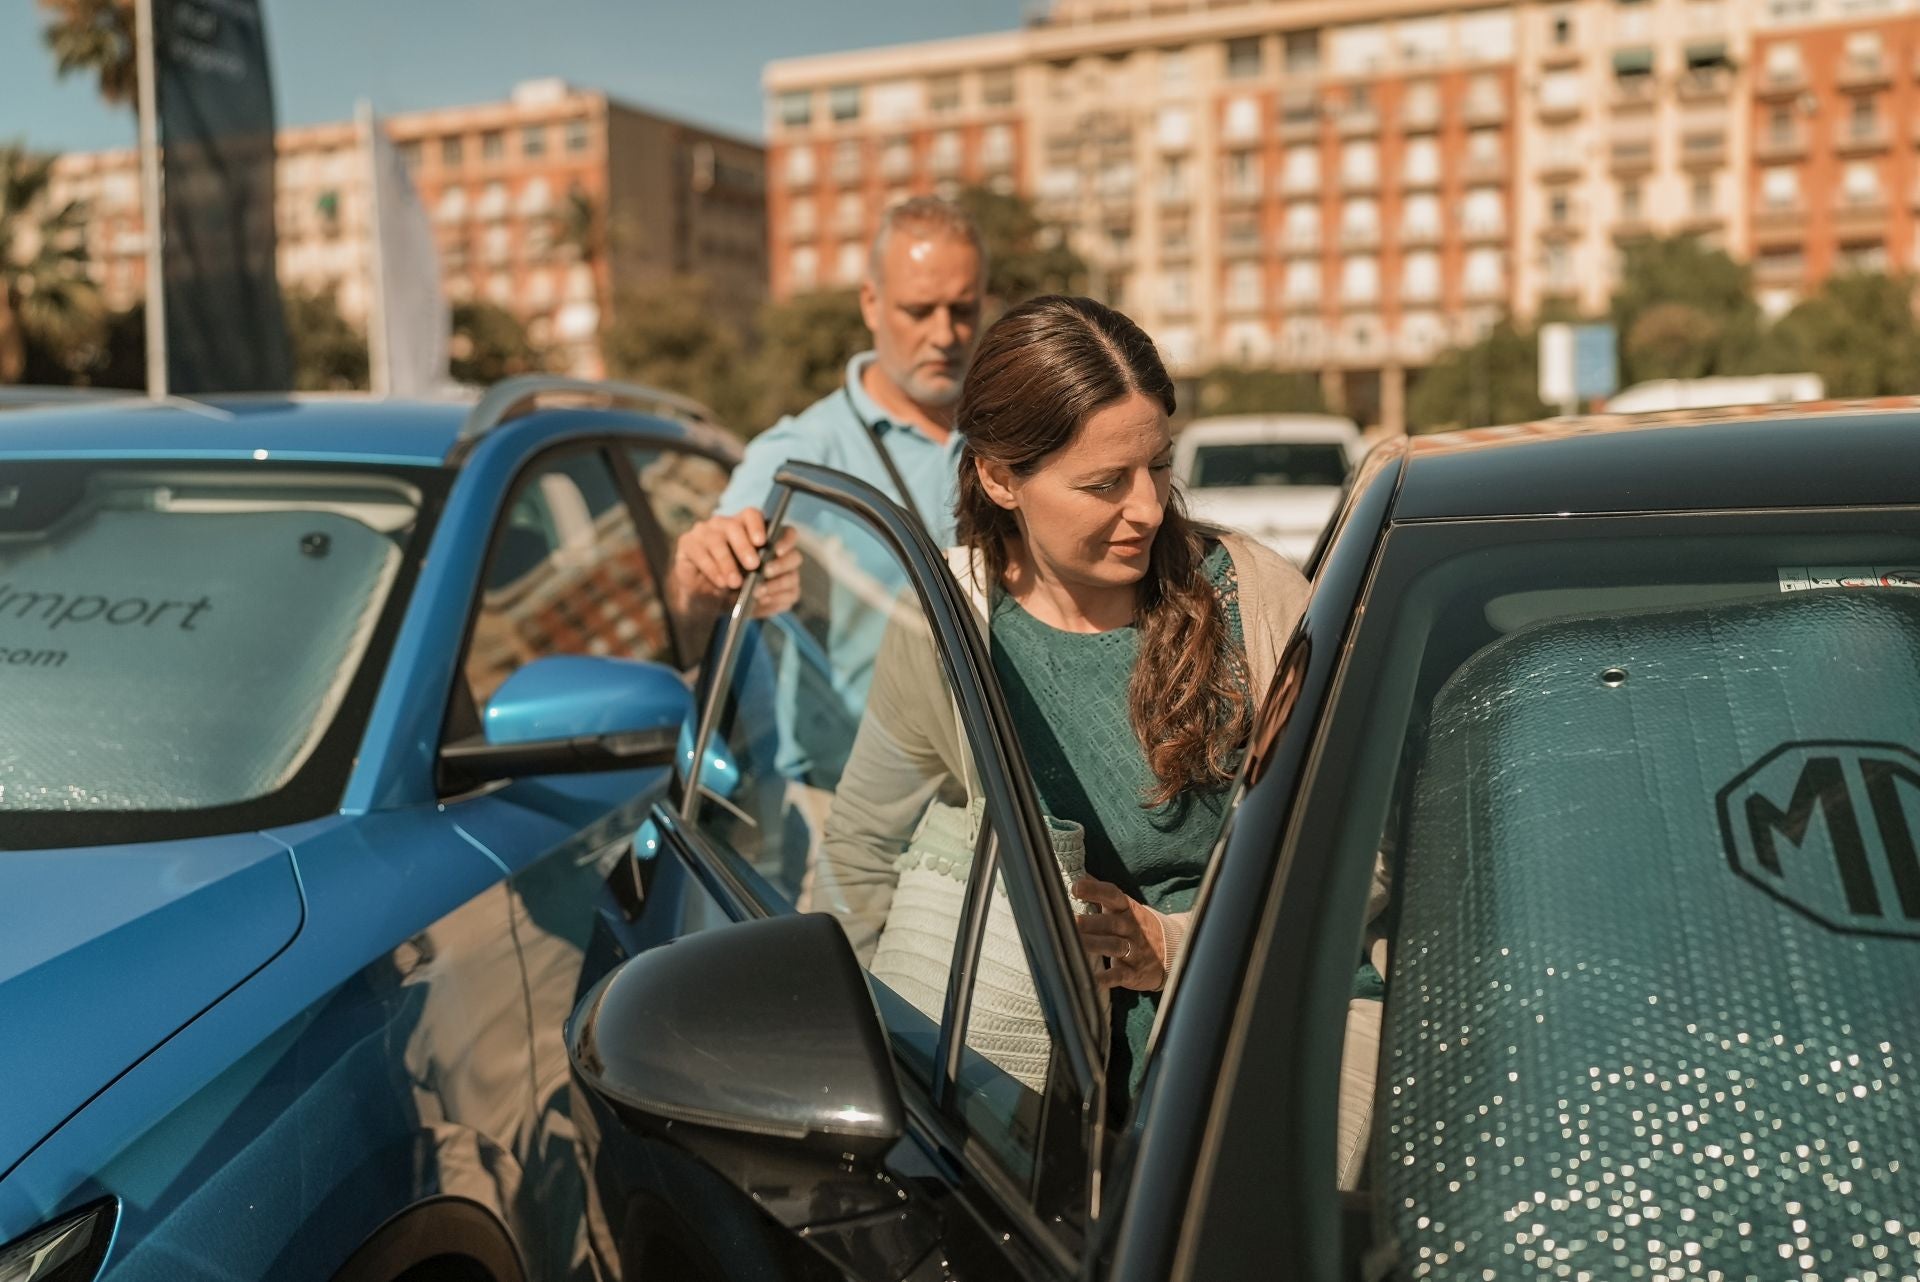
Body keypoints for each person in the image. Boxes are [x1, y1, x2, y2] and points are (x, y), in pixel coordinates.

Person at [816, 295, 1309, 1104]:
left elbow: (1365, 854)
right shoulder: (949, 624)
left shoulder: (1253, 598)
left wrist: (1175, 944)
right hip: (1030, 1105)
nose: (1148, 508)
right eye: (1105, 483)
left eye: (1158, 466)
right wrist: (863, 1076)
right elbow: (861, 855)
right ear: (1001, 478)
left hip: (1258, 1025)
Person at [665, 195, 987, 633]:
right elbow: (703, 591)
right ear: (871, 303)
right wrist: (699, 575)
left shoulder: (1007, 430)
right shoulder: (802, 454)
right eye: (919, 311)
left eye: (962, 310)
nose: (944, 334)